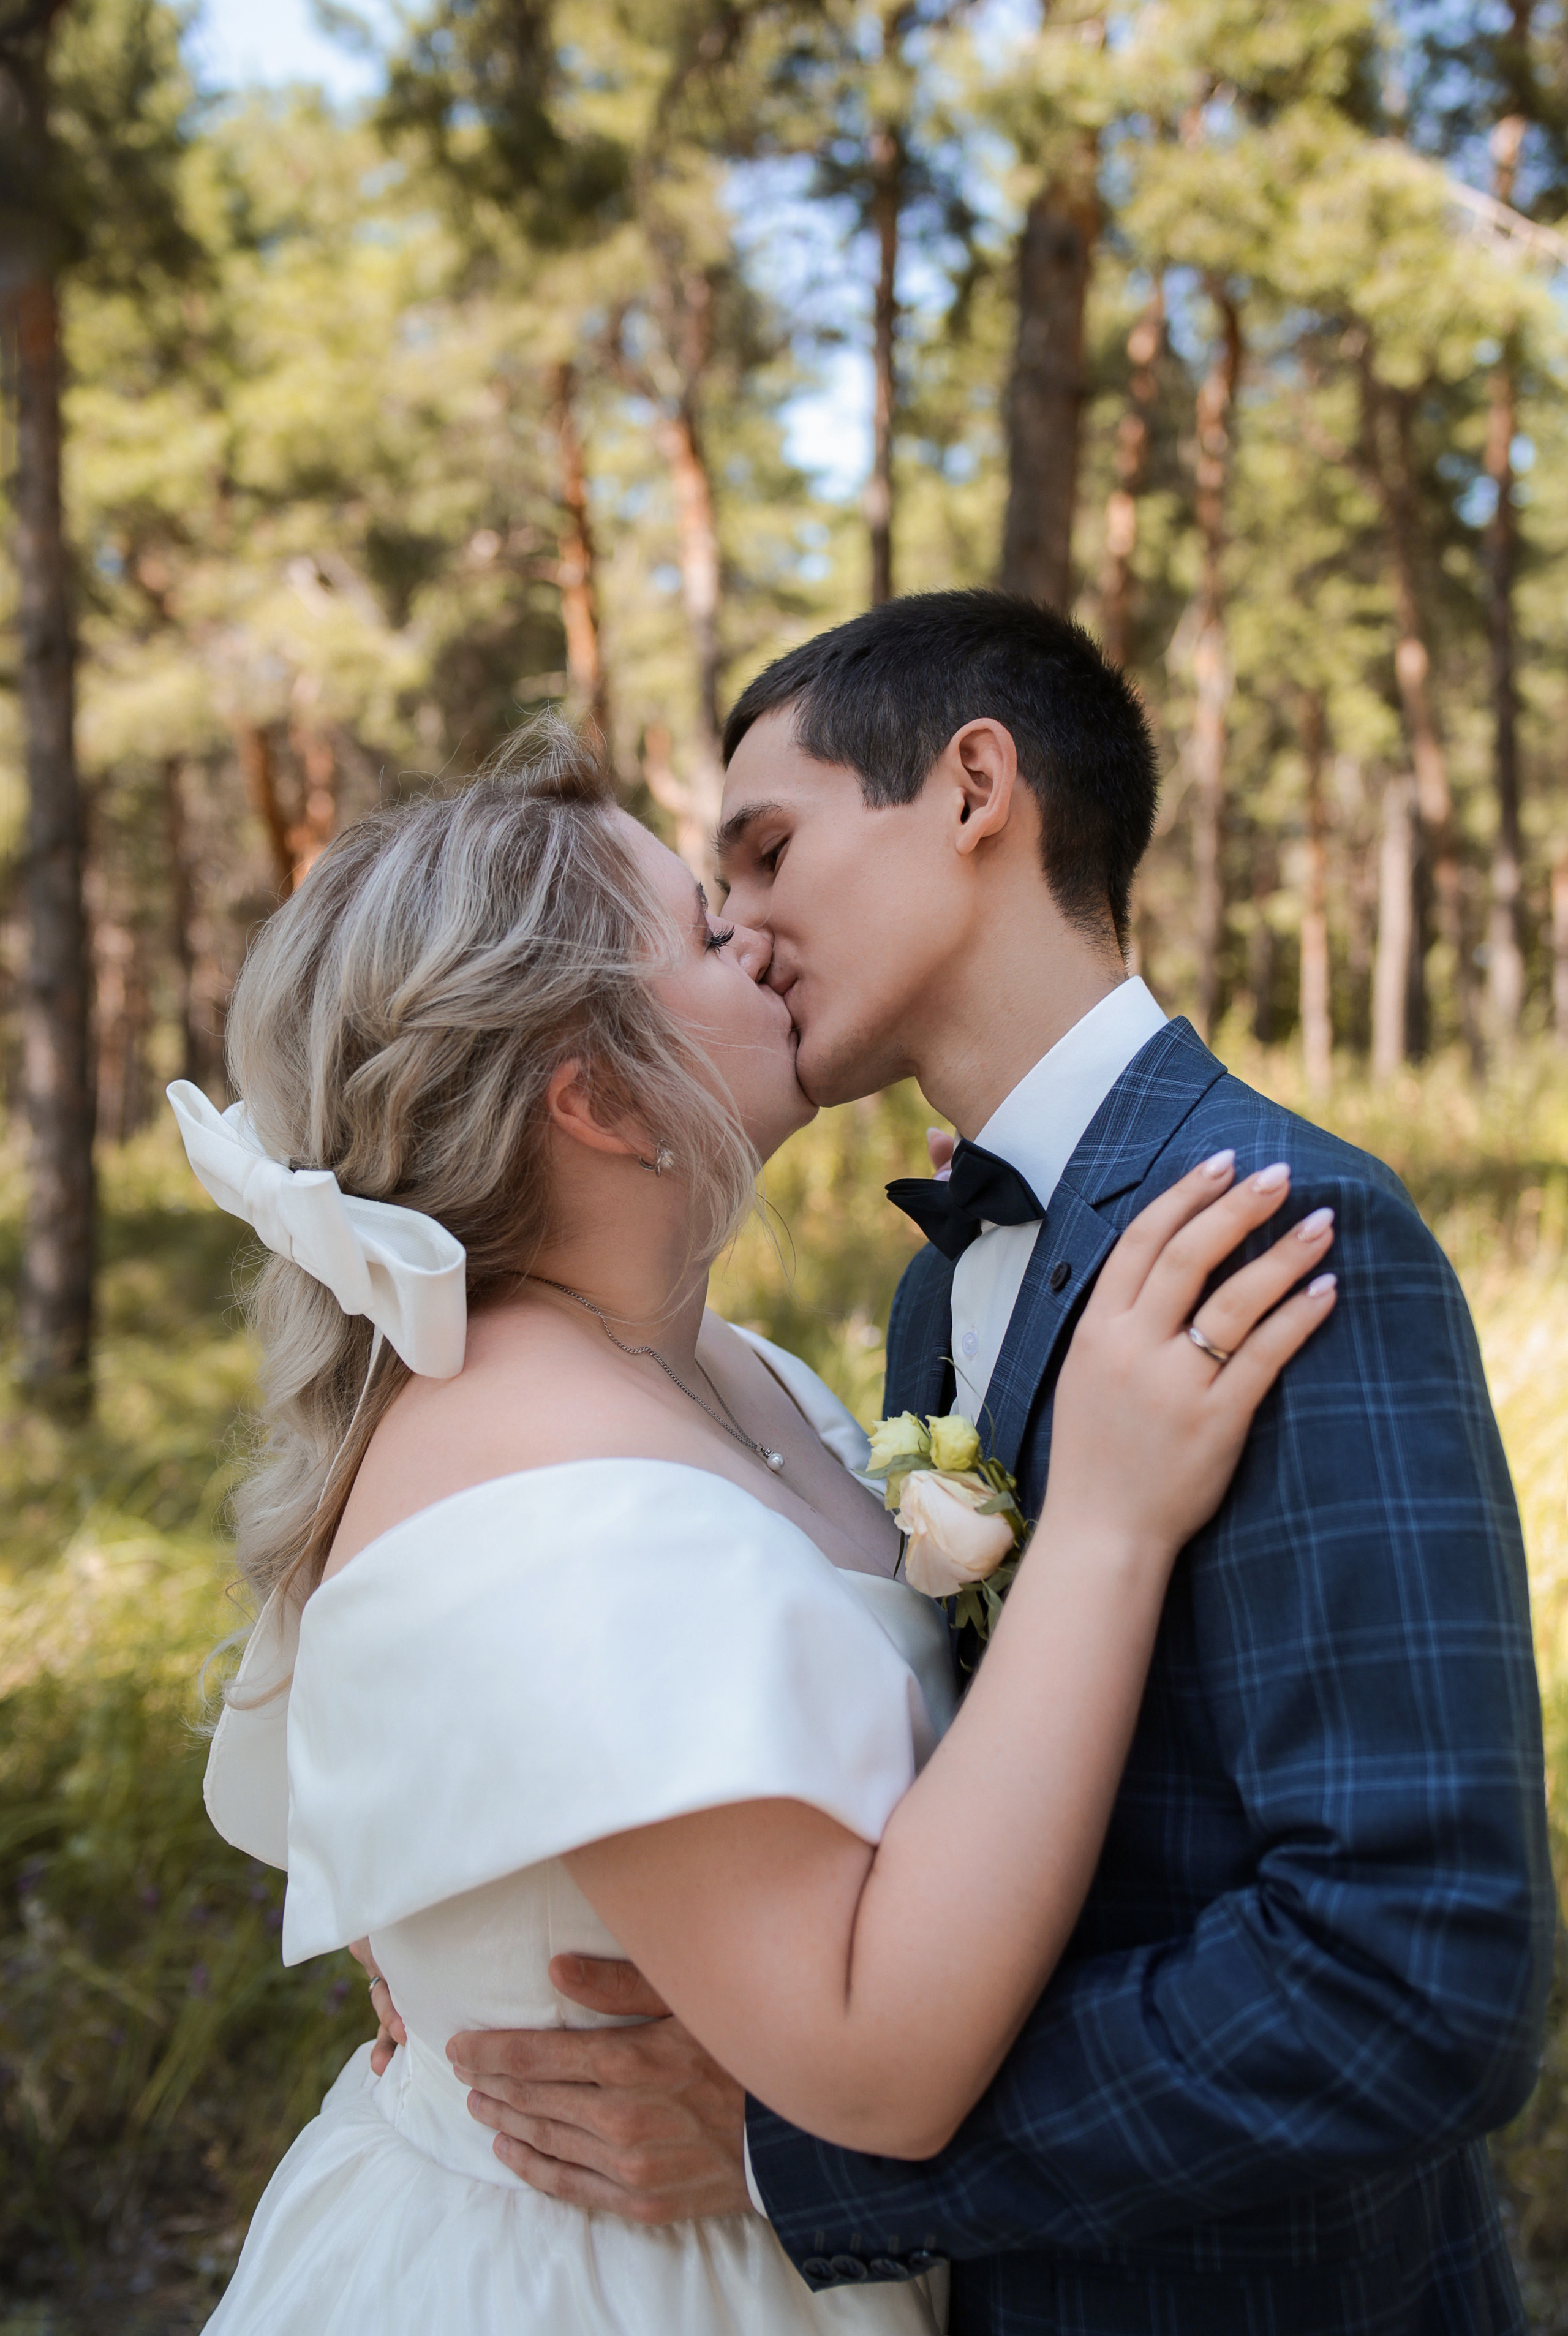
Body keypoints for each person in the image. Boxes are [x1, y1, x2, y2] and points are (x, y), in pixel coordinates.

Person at [453, 594, 1553, 2336]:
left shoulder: (1280, 1231)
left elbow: (1418, 1977)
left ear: (976, 787)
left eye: (765, 848)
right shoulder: (929, 1292)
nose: (735, 932)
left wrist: (806, 2157)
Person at [178, 716, 1333, 2335]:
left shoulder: (717, 1366)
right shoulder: (548, 1503)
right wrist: (1109, 1525)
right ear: (595, 1097)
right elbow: (876, 2065)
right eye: (709, 935)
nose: (767, 941)